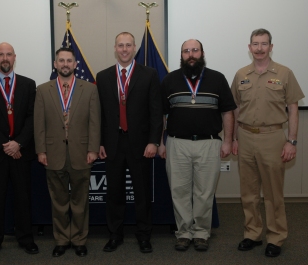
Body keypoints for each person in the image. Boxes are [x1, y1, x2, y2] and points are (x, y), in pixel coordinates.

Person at [231, 28, 304, 257]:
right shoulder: (241, 74)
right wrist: (233, 138)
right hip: (245, 136)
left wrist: (291, 141)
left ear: (271, 47)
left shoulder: (285, 73)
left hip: (273, 138)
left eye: (264, 44)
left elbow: (293, 109)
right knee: (249, 191)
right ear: (249, 47)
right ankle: (252, 233)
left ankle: (275, 237)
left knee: (273, 193)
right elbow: (234, 108)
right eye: (255, 44)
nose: (259, 48)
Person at [160, 39, 236, 252]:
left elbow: (227, 112)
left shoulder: (217, 78)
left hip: (208, 144)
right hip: (177, 144)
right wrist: (161, 142)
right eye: (186, 51)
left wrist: (228, 141)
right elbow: (161, 115)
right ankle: (183, 233)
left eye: (195, 50)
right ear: (181, 54)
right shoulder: (169, 80)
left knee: (204, 192)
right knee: (179, 191)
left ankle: (201, 233)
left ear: (202, 53)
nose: (190, 54)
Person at [97, 32, 162, 253]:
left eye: (128, 45)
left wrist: (154, 141)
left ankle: (144, 235)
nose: (124, 49)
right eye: (120, 45)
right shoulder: (103, 76)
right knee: (114, 193)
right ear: (115, 48)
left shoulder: (149, 74)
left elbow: (156, 112)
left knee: (142, 194)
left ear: (134, 48)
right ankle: (115, 235)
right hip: (113, 143)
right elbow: (100, 114)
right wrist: (100, 142)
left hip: (141, 144)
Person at [34, 47, 100, 257]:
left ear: (75, 64)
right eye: (61, 60)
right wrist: (40, 150)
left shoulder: (89, 89)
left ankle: (79, 240)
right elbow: (39, 124)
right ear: (55, 64)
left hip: (82, 153)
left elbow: (94, 123)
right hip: (53, 154)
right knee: (59, 201)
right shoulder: (43, 90)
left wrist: (92, 149)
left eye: (68, 61)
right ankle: (62, 239)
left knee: (80, 201)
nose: (65, 64)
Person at [0, 42, 38, 258]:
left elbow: (32, 118)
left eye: (8, 54)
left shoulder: (29, 85)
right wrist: (6, 145)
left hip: (21, 151)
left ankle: (26, 238)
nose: (5, 58)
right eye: (1, 54)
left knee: (23, 197)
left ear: (14, 57)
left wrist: (18, 143)